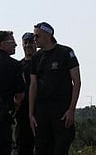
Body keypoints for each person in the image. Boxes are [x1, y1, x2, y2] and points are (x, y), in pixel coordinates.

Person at [28, 22, 80, 155]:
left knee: (60, 148)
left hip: (61, 110)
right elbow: (33, 86)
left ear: (48, 35)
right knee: (41, 148)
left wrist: (71, 110)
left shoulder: (65, 52)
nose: (35, 40)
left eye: (37, 36)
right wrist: (31, 113)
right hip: (42, 110)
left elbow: (77, 82)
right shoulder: (36, 57)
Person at [15, 32, 36, 155]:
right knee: (23, 146)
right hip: (23, 113)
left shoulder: (42, 62)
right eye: (26, 42)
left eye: (31, 42)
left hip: (40, 111)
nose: (28, 45)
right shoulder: (18, 66)